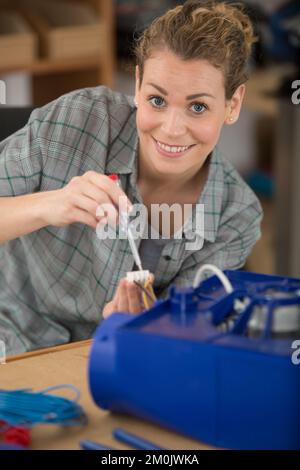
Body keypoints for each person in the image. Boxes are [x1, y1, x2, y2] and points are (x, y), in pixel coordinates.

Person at [0, 0, 263, 355]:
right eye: (157, 100)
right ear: (137, 84)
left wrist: (137, 325)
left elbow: (180, 341)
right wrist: (51, 204)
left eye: (197, 107)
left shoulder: (236, 217)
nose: (171, 129)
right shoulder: (78, 119)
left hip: (108, 361)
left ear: (232, 105)